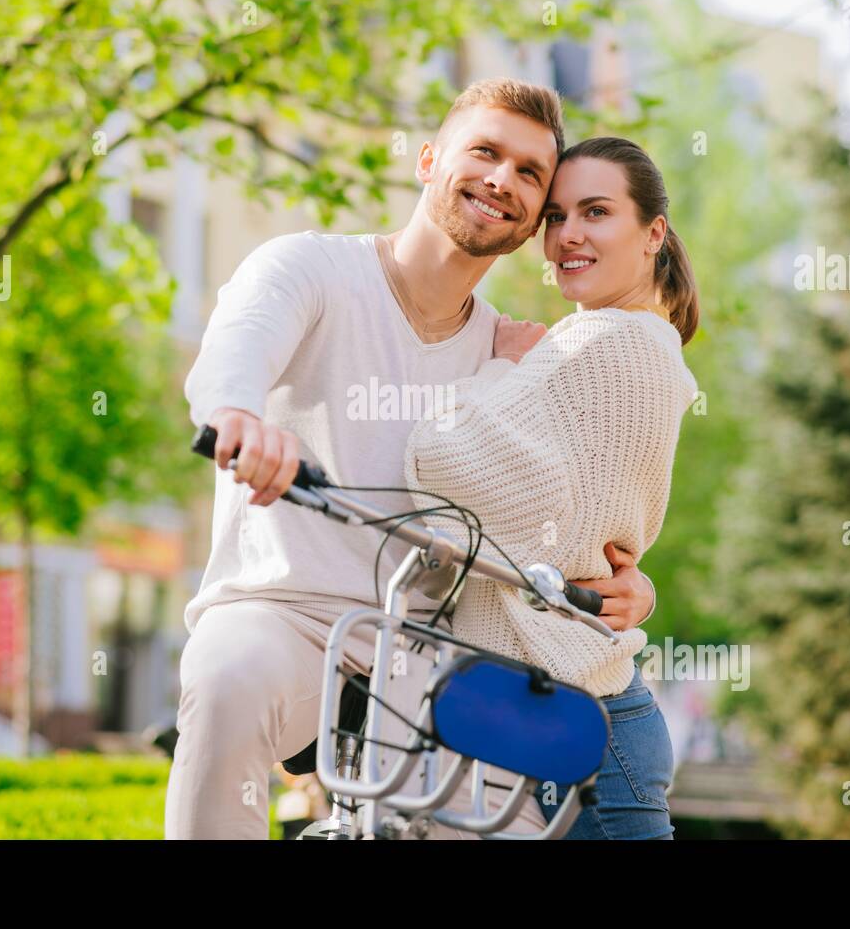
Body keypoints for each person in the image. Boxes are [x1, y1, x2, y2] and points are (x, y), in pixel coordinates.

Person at [166, 79, 656, 839]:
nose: (504, 179)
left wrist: (630, 588)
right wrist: (237, 416)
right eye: (485, 152)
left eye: (530, 174)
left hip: (435, 649)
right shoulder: (311, 269)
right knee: (227, 680)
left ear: (532, 222)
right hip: (283, 615)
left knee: (510, 827)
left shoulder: (514, 355)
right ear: (429, 160)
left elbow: (567, 515)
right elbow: (239, 345)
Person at [405, 136, 699, 839]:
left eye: (595, 212)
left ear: (652, 231)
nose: (568, 236)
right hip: (580, 710)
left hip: (571, 718)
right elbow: (577, 523)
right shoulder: (640, 343)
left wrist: (500, 366)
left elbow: (440, 460)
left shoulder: (600, 343)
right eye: (557, 217)